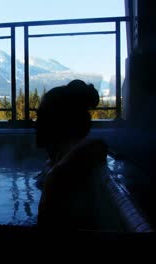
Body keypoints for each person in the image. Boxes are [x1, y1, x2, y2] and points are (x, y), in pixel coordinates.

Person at [34, 79, 108, 230]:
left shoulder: (59, 175)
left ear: (59, 123)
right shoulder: (56, 162)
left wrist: (56, 176)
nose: (35, 124)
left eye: (41, 116)